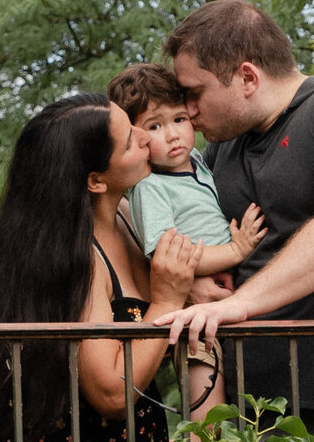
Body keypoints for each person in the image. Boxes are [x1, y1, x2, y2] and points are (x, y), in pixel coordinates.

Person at [152, 0, 314, 432]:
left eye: (195, 94)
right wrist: (192, 278)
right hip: (239, 404)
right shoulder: (221, 149)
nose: (188, 113)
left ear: (248, 77)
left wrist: (237, 305)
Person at [0, 92, 196, 442]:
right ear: (95, 180)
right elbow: (111, 392)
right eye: (130, 141)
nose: (147, 140)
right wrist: (166, 304)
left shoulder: (131, 219)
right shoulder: (76, 259)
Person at [104, 62, 265, 285]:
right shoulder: (149, 187)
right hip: (205, 287)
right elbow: (169, 258)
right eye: (154, 127)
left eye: (179, 120)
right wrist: (236, 250)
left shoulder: (196, 159)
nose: (173, 135)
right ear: (135, 135)